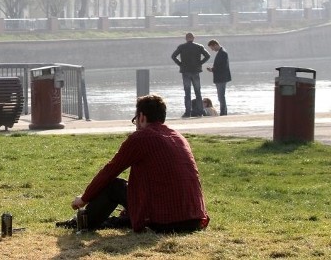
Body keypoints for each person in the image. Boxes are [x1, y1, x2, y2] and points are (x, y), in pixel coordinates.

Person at [63, 94, 209, 233]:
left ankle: (82, 221)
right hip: (194, 218)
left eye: (135, 119)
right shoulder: (178, 137)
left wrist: (84, 199)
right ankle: (122, 219)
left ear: (141, 117)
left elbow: (110, 170)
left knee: (115, 186)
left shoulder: (141, 138)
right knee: (130, 189)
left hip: (164, 220)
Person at [171, 33, 210, 117]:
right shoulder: (199, 47)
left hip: (185, 71)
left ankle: (188, 112)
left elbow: (173, 56)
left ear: (186, 38)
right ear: (193, 38)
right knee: (198, 92)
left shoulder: (181, 47)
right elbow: (207, 55)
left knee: (187, 93)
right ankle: (201, 111)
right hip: (196, 71)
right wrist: (200, 63)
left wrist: (180, 64)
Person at [206, 39, 232, 116]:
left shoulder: (222, 53)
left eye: (212, 48)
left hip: (221, 78)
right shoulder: (222, 52)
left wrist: (212, 69)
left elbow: (221, 66)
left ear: (215, 45)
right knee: (220, 96)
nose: (212, 49)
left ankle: (223, 112)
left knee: (221, 96)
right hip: (221, 77)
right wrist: (213, 69)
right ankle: (223, 112)